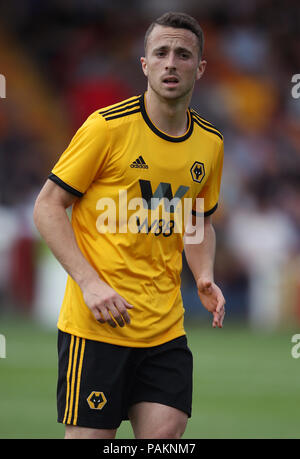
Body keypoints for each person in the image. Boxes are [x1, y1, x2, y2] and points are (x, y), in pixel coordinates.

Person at [33, 11, 225, 439]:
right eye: (160, 53)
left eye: (182, 54)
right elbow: (47, 207)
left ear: (200, 67)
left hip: (164, 328)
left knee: (165, 436)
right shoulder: (106, 127)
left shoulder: (210, 143)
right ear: (145, 64)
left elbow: (198, 219)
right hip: (97, 325)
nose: (170, 62)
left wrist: (204, 275)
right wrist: (89, 282)